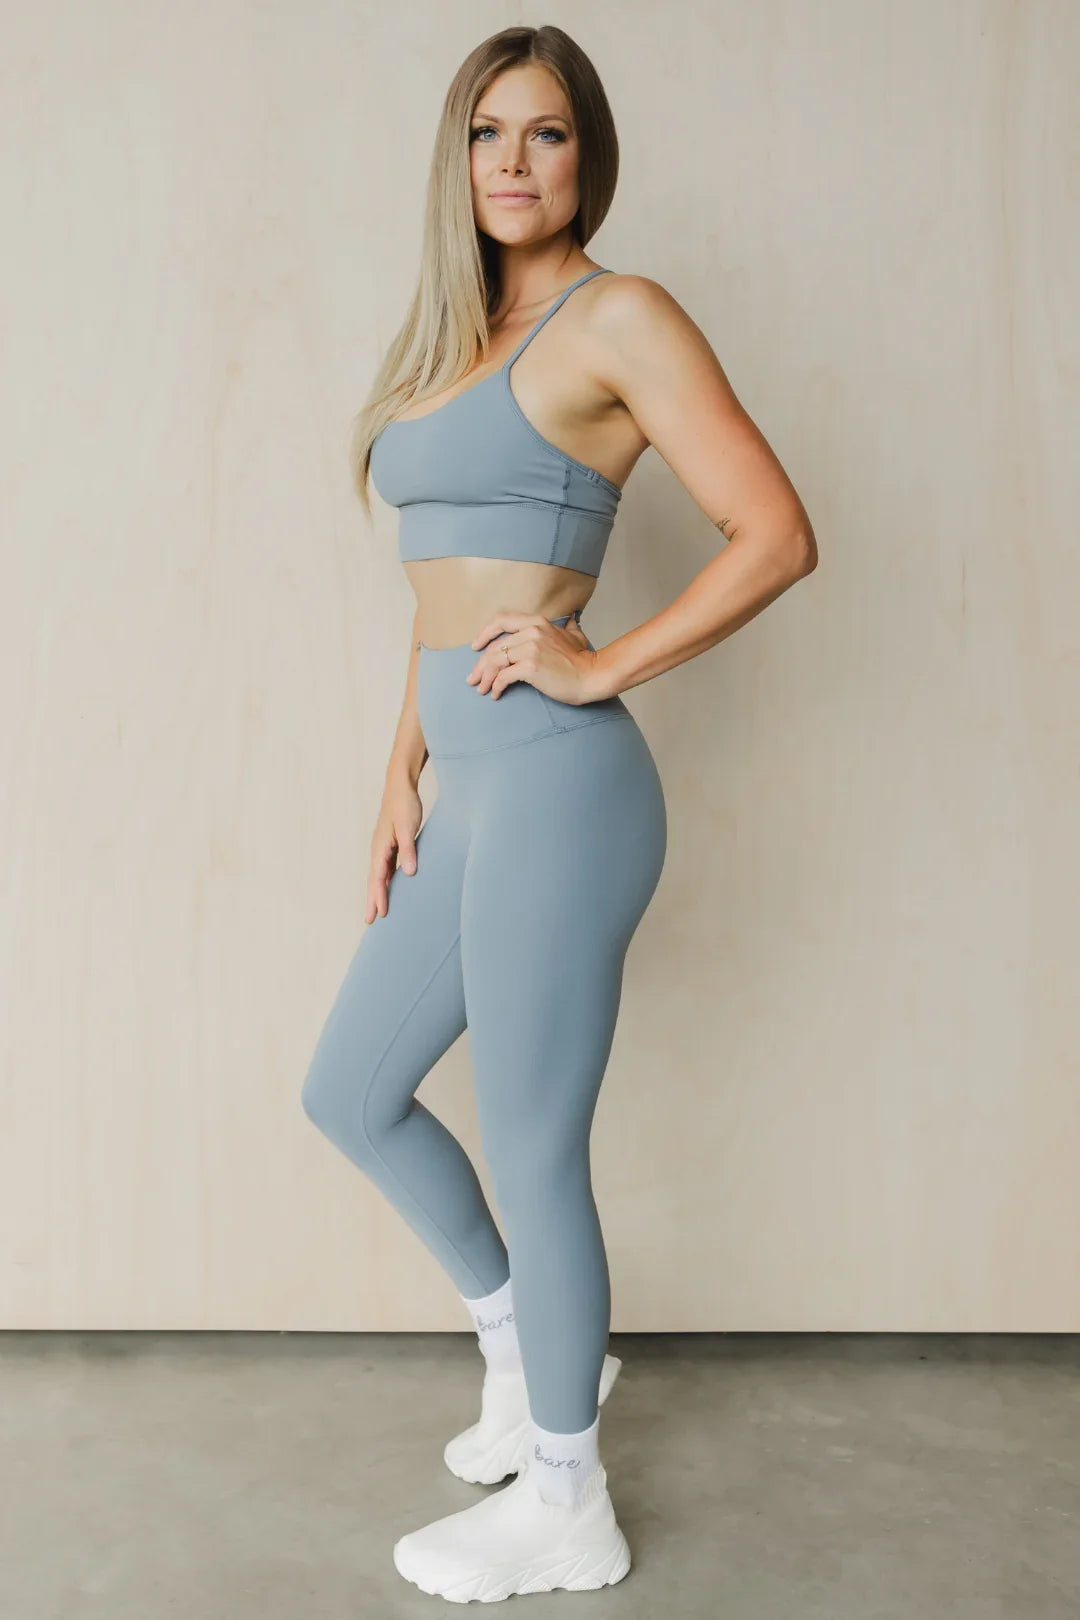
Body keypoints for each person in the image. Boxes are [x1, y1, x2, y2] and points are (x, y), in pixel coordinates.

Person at [301, 21, 817, 1604]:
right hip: (469, 789)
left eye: (546, 136)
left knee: (533, 1149)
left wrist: (604, 669)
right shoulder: (452, 333)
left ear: (587, 157)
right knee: (352, 1093)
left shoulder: (622, 317)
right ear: (454, 158)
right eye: (486, 135)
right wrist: (402, 758)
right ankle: (528, 1371)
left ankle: (568, 1501)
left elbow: (776, 532)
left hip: (566, 792)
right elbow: (445, 587)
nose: (513, 165)